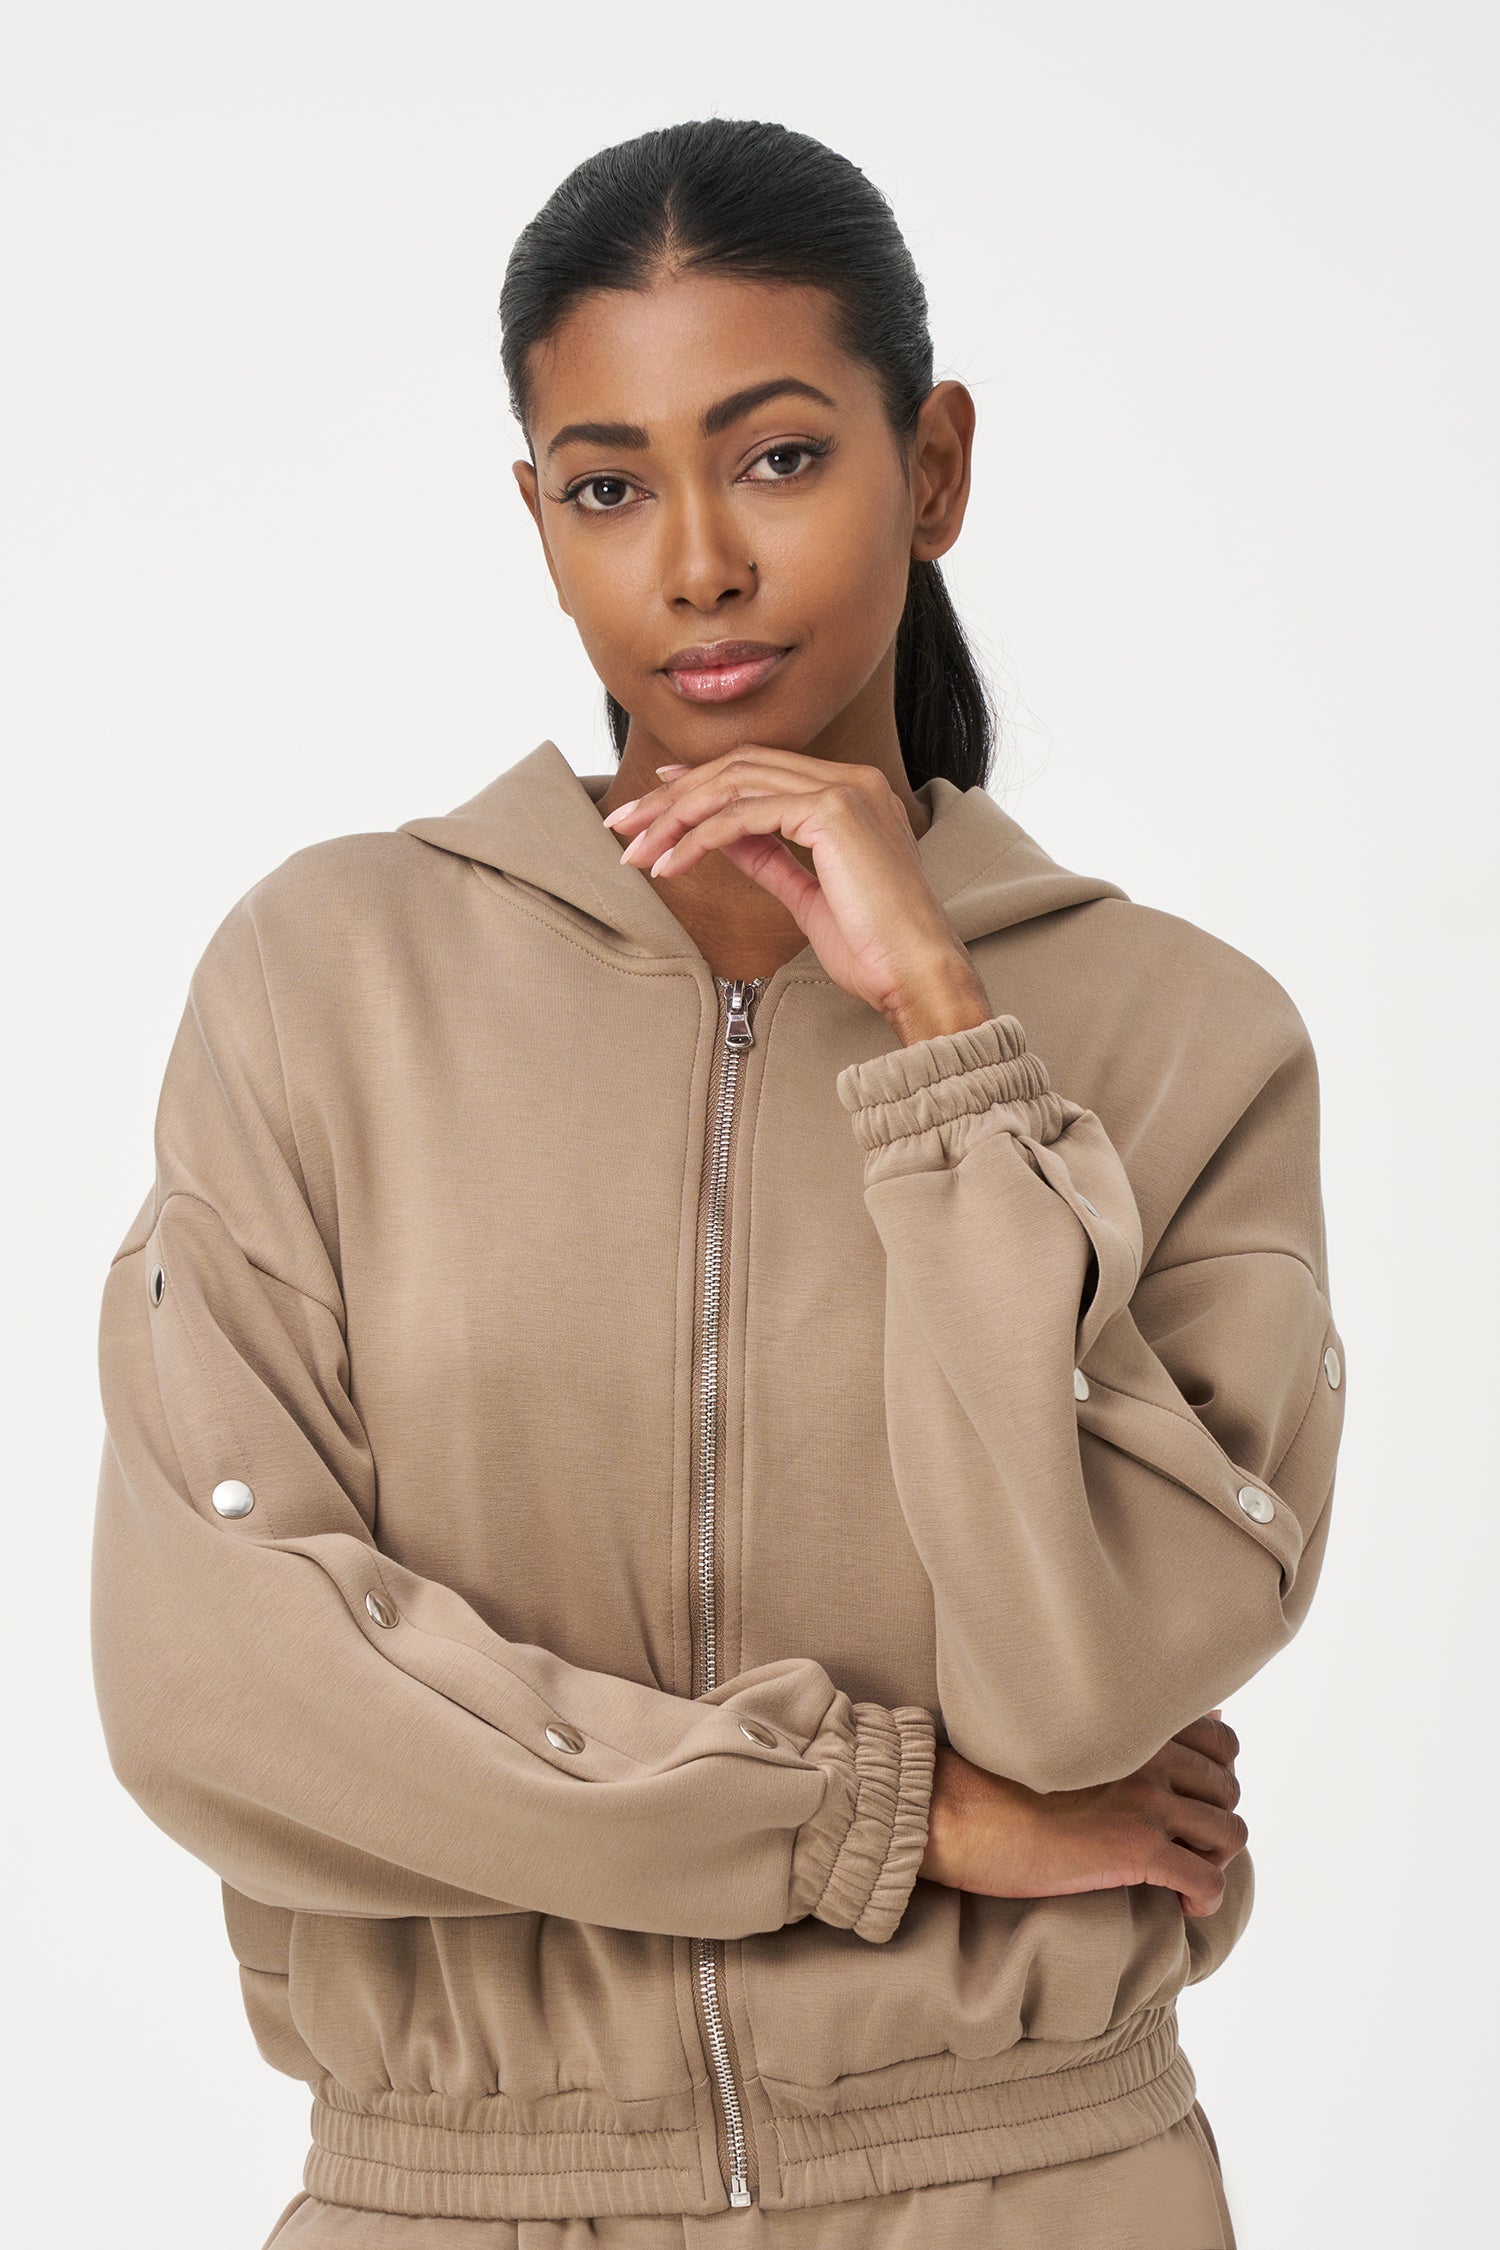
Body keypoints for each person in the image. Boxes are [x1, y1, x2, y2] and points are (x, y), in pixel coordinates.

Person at [90, 118, 1346, 2249]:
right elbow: (222, 1689)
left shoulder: (1183, 1035)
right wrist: (875, 1818)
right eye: (608, 486)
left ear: (931, 466)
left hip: (1032, 2188)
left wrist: (945, 1040)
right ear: (537, 516)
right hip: (455, 2196)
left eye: (776, 459)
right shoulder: (328, 981)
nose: (695, 564)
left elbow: (1081, 1690)